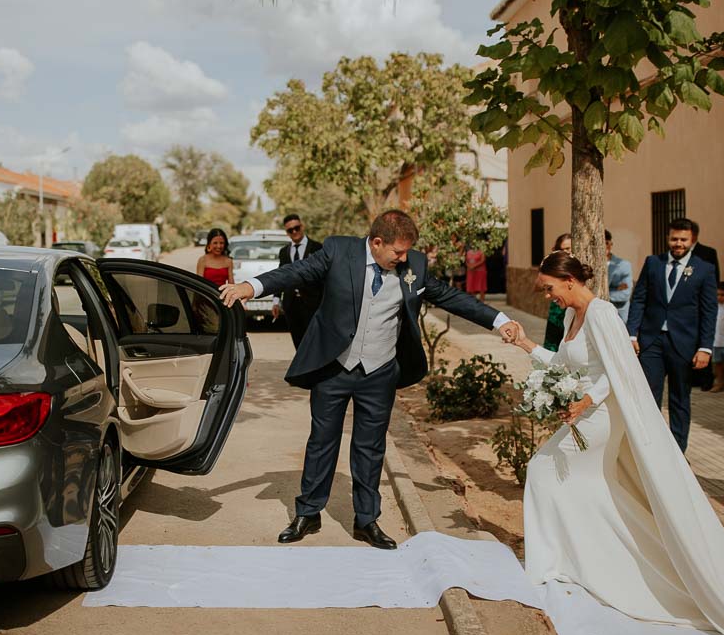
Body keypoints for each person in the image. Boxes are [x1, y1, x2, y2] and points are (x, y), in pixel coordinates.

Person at [511, 251, 724, 635]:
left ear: (569, 280)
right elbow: (562, 366)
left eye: (550, 288)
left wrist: (586, 400)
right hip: (583, 412)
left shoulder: (602, 313)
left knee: (546, 473)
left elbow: (621, 369)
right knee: (573, 484)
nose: (548, 297)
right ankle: (578, 559)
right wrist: (524, 344)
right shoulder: (574, 317)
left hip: (602, 417)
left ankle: (567, 561)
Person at [219, 210, 523, 549]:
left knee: (370, 446)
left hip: (379, 372)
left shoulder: (414, 266)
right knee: (322, 441)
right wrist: (252, 286)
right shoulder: (339, 251)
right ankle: (308, 512)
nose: (403, 258)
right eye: (398, 252)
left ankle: (366, 520)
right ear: (376, 243)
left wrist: (499, 320)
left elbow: (451, 297)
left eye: (407, 252)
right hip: (334, 367)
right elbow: (296, 272)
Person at [626, 218, 717, 452]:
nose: (678, 243)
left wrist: (705, 348)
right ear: (668, 238)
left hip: (684, 344)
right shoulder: (653, 263)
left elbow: (709, 311)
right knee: (647, 397)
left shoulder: (704, 269)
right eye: (674, 238)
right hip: (651, 342)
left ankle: (677, 452)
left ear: (692, 240)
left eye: (683, 239)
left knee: (679, 399)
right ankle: (649, 450)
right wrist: (631, 335)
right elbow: (639, 299)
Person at [272, 214, 324, 349]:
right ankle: (302, 369)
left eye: (297, 228)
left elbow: (324, 276)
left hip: (313, 303)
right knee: (298, 341)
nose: (294, 232)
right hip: (291, 304)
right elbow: (281, 275)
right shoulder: (284, 251)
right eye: (290, 230)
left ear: (302, 226)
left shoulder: (317, 247)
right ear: (287, 232)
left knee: (314, 340)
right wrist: (276, 301)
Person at [688, 220, 721, 392]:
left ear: (693, 235)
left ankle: (706, 379)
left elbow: (714, 279)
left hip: (701, 304)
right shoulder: (675, 255)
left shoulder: (707, 253)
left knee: (703, 342)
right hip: (685, 308)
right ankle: (692, 377)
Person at [542, 233, 571, 351]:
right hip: (558, 309)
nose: (567, 252)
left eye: (569, 248)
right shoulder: (553, 266)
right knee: (553, 344)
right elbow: (538, 285)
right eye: (563, 250)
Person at [605, 229, 632, 323]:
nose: (604, 246)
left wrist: (601, 295)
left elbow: (624, 294)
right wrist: (614, 289)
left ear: (611, 244)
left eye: (606, 242)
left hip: (618, 316)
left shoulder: (623, 265)